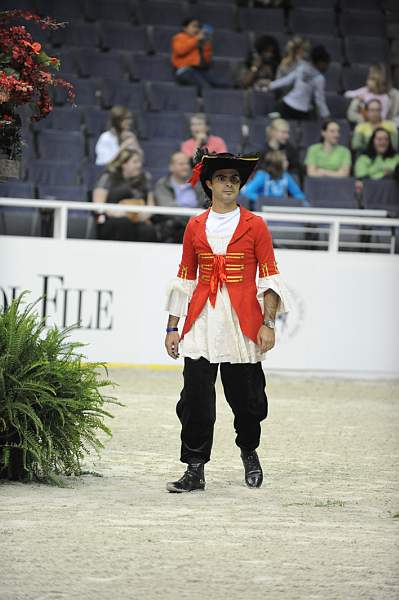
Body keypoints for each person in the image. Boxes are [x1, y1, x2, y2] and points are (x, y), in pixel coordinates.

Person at [164, 148, 290, 493]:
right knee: (195, 400)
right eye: (222, 178)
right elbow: (185, 277)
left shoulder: (255, 225)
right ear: (209, 183)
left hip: (241, 322)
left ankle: (249, 452)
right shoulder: (195, 225)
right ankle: (194, 468)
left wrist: (269, 323)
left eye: (235, 179)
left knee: (248, 401)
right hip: (202, 320)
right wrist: (173, 327)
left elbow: (269, 279)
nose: (230, 184)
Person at [93, 148, 157, 242]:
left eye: (139, 162)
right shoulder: (108, 178)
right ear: (124, 163)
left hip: (137, 219)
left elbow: (151, 205)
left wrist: (144, 215)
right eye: (135, 162)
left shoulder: (145, 179)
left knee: (148, 230)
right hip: (112, 219)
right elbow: (98, 205)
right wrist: (113, 212)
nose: (139, 165)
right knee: (123, 223)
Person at [267, 45, 331, 120]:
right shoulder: (319, 78)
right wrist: (326, 116)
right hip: (301, 112)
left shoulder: (302, 68)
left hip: (286, 105)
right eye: (326, 64)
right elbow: (319, 100)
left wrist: (270, 85)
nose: (327, 67)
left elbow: (286, 81)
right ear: (321, 62)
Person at [153, 151, 204, 243]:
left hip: (198, 224)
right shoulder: (163, 184)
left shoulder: (198, 183)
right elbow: (167, 208)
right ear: (171, 167)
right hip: (174, 227)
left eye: (187, 164)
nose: (186, 167)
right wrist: (191, 218)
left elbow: (206, 203)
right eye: (181, 164)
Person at [241, 150, 307, 206]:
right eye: (285, 160)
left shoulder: (286, 176)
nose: (288, 163)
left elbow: (298, 194)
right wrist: (262, 200)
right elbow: (247, 192)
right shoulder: (262, 176)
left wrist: (300, 202)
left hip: (281, 208)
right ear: (277, 164)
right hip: (264, 209)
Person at [171, 17, 214, 92]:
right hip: (185, 71)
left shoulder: (199, 40)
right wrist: (196, 38)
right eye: (194, 26)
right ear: (185, 28)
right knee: (206, 89)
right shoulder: (179, 37)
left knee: (219, 85)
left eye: (198, 27)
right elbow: (180, 51)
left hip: (198, 71)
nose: (196, 29)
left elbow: (207, 61)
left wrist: (207, 44)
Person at [354, 128, 399, 194]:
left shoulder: (396, 157)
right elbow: (362, 178)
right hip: (372, 194)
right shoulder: (363, 158)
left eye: (386, 139)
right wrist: (384, 175)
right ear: (373, 141)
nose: (383, 142)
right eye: (379, 139)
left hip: (393, 194)